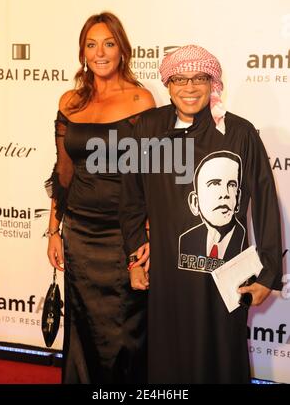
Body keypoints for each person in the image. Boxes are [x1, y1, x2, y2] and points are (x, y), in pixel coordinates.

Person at [119, 44, 283, 384]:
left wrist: (268, 275)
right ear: (167, 83)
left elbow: (265, 202)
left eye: (199, 78)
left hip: (224, 279)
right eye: (180, 79)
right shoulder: (148, 128)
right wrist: (135, 256)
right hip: (168, 278)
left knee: (222, 361)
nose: (189, 88)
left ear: (213, 83)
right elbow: (131, 196)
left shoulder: (238, 132)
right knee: (169, 361)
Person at [45, 11, 155, 384]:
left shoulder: (141, 101)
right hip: (81, 235)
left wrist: (146, 236)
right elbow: (63, 171)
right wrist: (54, 230)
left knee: (126, 333)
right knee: (84, 331)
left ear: (122, 49)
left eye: (109, 43)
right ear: (82, 52)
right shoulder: (71, 101)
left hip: (122, 235)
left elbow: (151, 174)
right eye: (91, 45)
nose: (100, 52)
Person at [179, 150, 246, 269]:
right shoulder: (186, 240)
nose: (225, 194)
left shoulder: (247, 242)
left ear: (238, 198)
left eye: (231, 185)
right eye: (214, 184)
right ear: (195, 202)